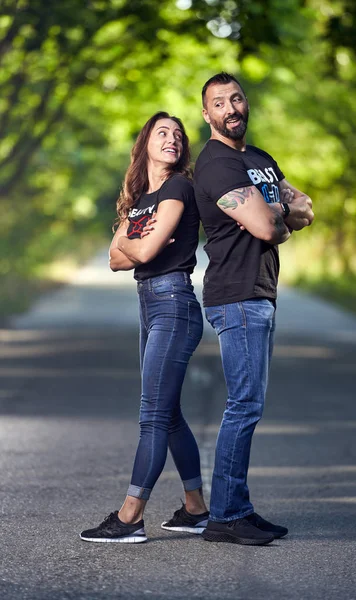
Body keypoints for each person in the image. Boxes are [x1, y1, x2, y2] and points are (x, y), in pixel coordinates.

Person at [194, 73, 314, 546]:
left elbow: (305, 206)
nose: (231, 107)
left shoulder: (261, 160)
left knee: (250, 406)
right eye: (219, 102)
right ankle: (224, 516)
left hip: (261, 292)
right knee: (243, 406)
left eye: (236, 98)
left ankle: (237, 507)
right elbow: (271, 224)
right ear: (207, 115)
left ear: (246, 103)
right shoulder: (216, 165)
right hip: (237, 294)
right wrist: (278, 217)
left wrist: (275, 216)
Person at [80, 112, 209, 543]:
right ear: (145, 144)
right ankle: (196, 509)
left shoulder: (178, 188)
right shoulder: (141, 198)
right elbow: (115, 258)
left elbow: (144, 248)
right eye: (162, 132)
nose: (172, 138)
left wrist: (136, 245)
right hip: (148, 303)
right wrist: (138, 246)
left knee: (152, 415)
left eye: (178, 134)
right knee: (168, 414)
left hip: (173, 303)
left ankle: (130, 516)